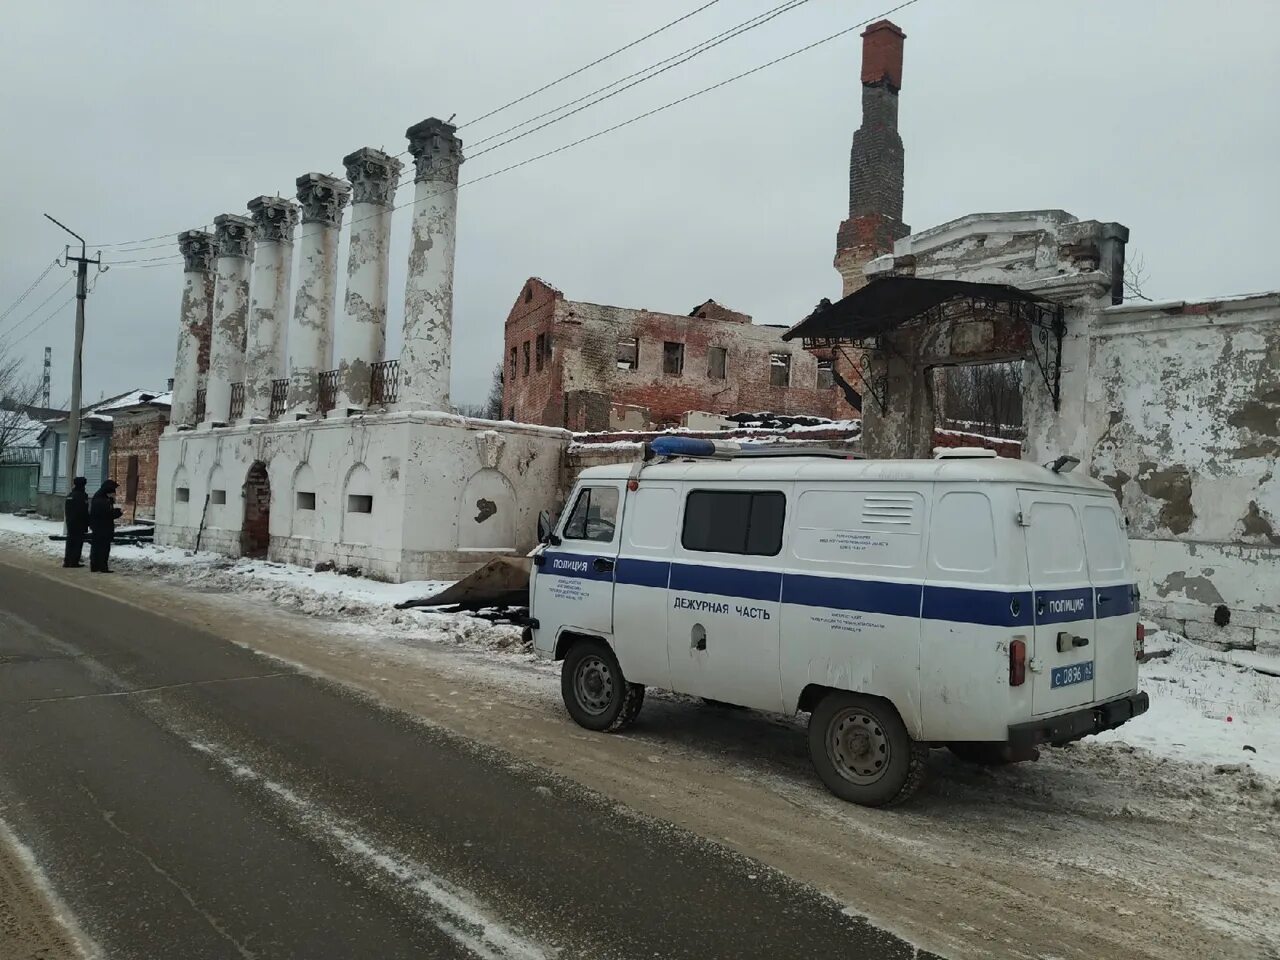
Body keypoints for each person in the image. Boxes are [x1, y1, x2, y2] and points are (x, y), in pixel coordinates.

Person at [88, 479, 122, 573]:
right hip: (103, 527)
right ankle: (102, 567)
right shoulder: (102, 500)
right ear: (108, 491)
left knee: (96, 546)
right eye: (113, 492)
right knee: (103, 547)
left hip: (98, 526)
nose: (114, 494)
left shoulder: (99, 497)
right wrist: (118, 512)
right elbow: (107, 514)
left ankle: (95, 566)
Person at [62, 477, 89, 568]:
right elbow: (83, 511)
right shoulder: (82, 496)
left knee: (70, 541)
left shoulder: (70, 495)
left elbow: (67, 510)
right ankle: (74, 561)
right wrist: (86, 523)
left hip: (70, 522)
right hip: (79, 523)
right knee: (77, 542)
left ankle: (67, 561)